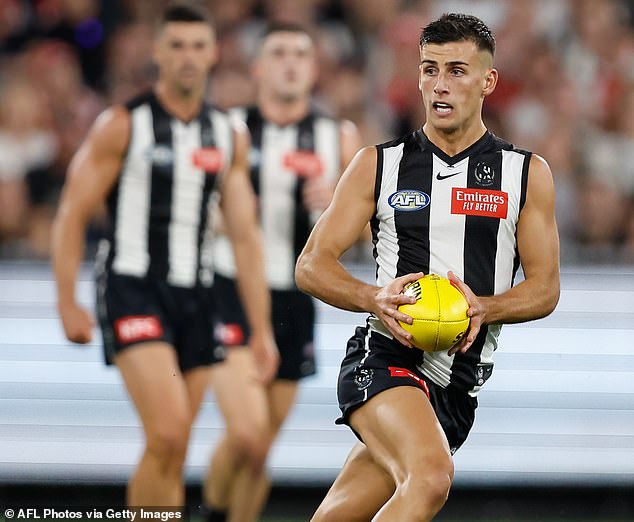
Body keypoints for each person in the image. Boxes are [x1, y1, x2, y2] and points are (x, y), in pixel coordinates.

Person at [296, 13, 560, 522]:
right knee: (430, 480)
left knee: (338, 516)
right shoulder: (378, 164)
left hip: (457, 386)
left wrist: (486, 306)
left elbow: (545, 289)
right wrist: (374, 297)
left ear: (489, 82)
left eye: (457, 71)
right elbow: (311, 266)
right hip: (385, 357)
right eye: (429, 69)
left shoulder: (527, 174)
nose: (440, 85)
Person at [51, 3, 278, 508]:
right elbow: (71, 214)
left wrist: (260, 329)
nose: (188, 57)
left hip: (197, 297)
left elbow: (244, 238)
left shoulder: (227, 135)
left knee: (171, 450)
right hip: (133, 287)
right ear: (156, 51)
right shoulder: (121, 125)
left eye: (198, 45)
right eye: (176, 45)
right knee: (170, 433)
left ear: (215, 52)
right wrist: (67, 301)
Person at [202, 23, 361, 522]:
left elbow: (356, 236)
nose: (290, 62)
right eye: (278, 53)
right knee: (247, 434)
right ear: (258, 67)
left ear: (313, 70)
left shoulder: (338, 137)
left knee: (260, 449)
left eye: (300, 54)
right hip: (229, 287)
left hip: (295, 297)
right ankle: (208, 512)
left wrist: (339, 202)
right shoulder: (228, 129)